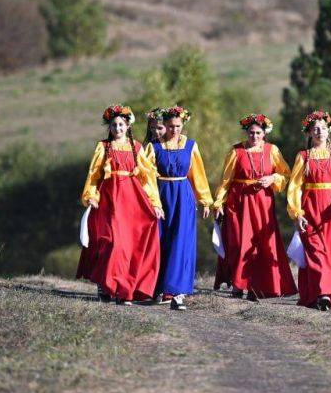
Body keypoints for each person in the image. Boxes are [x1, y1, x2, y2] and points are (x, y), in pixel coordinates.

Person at [76, 104, 165, 305]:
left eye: (121, 125)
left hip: (132, 201)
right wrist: (91, 195)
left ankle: (124, 292)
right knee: (114, 244)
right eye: (114, 125)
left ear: (128, 126)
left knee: (129, 246)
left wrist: (155, 204)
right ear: (110, 127)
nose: (118, 129)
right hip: (109, 201)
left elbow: (147, 177)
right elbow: (94, 174)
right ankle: (106, 285)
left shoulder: (137, 148)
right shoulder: (103, 147)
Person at [212, 113, 297, 300]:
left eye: (258, 132)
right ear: (246, 132)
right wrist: (218, 203)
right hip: (239, 202)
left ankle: (260, 285)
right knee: (240, 241)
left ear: (264, 133)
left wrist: (273, 178)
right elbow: (226, 180)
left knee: (262, 242)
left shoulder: (272, 150)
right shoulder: (236, 152)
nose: (255, 136)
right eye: (251, 132)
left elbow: (286, 174)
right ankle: (238, 284)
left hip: (262, 202)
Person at [144, 106, 213, 311]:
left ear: (183, 125)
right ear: (164, 125)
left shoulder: (191, 146)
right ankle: (157, 288)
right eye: (170, 126)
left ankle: (178, 293)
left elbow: (198, 176)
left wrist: (204, 200)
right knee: (160, 241)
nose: (174, 130)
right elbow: (146, 177)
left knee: (181, 243)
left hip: (183, 196)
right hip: (161, 195)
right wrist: (154, 203)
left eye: (178, 126)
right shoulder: (154, 147)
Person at [286, 110, 331, 311]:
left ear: (328, 131)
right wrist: (297, 213)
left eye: (323, 128)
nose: (319, 132)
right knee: (316, 252)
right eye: (315, 129)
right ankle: (323, 292)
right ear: (308, 133)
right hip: (310, 210)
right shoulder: (303, 157)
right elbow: (295, 187)